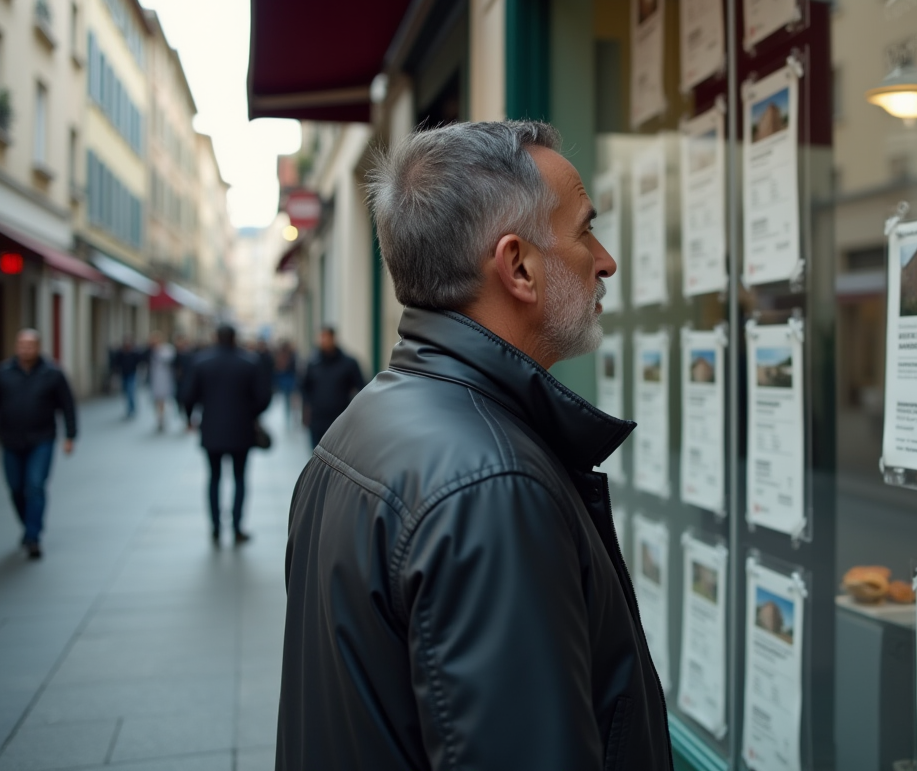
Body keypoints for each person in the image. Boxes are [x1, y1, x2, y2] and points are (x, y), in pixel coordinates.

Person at [276, 121, 671, 770]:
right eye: (584, 231)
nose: (605, 260)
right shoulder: (492, 485)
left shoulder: (362, 424)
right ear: (518, 266)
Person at [183, 324, 271, 545]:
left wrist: (189, 418)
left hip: (211, 429)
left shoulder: (202, 362)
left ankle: (215, 527)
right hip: (241, 429)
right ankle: (237, 527)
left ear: (216, 337)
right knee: (240, 478)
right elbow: (264, 397)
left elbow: (187, 395)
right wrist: (250, 413)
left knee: (214, 478)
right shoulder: (249, 363)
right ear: (234, 338)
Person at [0, 329, 77, 559]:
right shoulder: (3, 373)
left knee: (35, 486)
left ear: (38, 347)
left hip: (42, 439)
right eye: (21, 344)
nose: (25, 349)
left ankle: (33, 536)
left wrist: (71, 436)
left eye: (30, 345)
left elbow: (67, 405)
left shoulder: (52, 373)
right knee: (16, 489)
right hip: (10, 440)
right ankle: (28, 524)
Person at [299, 326, 365, 449]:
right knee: (316, 456)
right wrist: (306, 413)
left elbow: (362, 387)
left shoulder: (349, 363)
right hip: (317, 420)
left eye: (326, 337)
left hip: (340, 421)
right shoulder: (313, 363)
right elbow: (304, 388)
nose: (323, 341)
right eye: (321, 337)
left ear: (333, 338)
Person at [146, 332, 176, 433]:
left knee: (162, 400)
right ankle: (159, 418)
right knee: (156, 400)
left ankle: (162, 419)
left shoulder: (167, 349)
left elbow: (170, 360)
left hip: (164, 379)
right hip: (155, 379)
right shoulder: (150, 351)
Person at [110, 336, 141, 418]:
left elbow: (139, 360)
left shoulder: (134, 353)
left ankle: (132, 409)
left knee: (131, 391)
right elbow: (116, 362)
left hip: (132, 374)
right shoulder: (120, 353)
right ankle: (129, 408)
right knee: (126, 392)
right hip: (123, 375)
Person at [272, 339, 299, 428]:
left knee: (291, 400)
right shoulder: (284, 356)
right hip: (287, 380)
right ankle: (291, 417)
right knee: (289, 400)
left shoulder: (291, 356)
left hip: (290, 380)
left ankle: (293, 417)